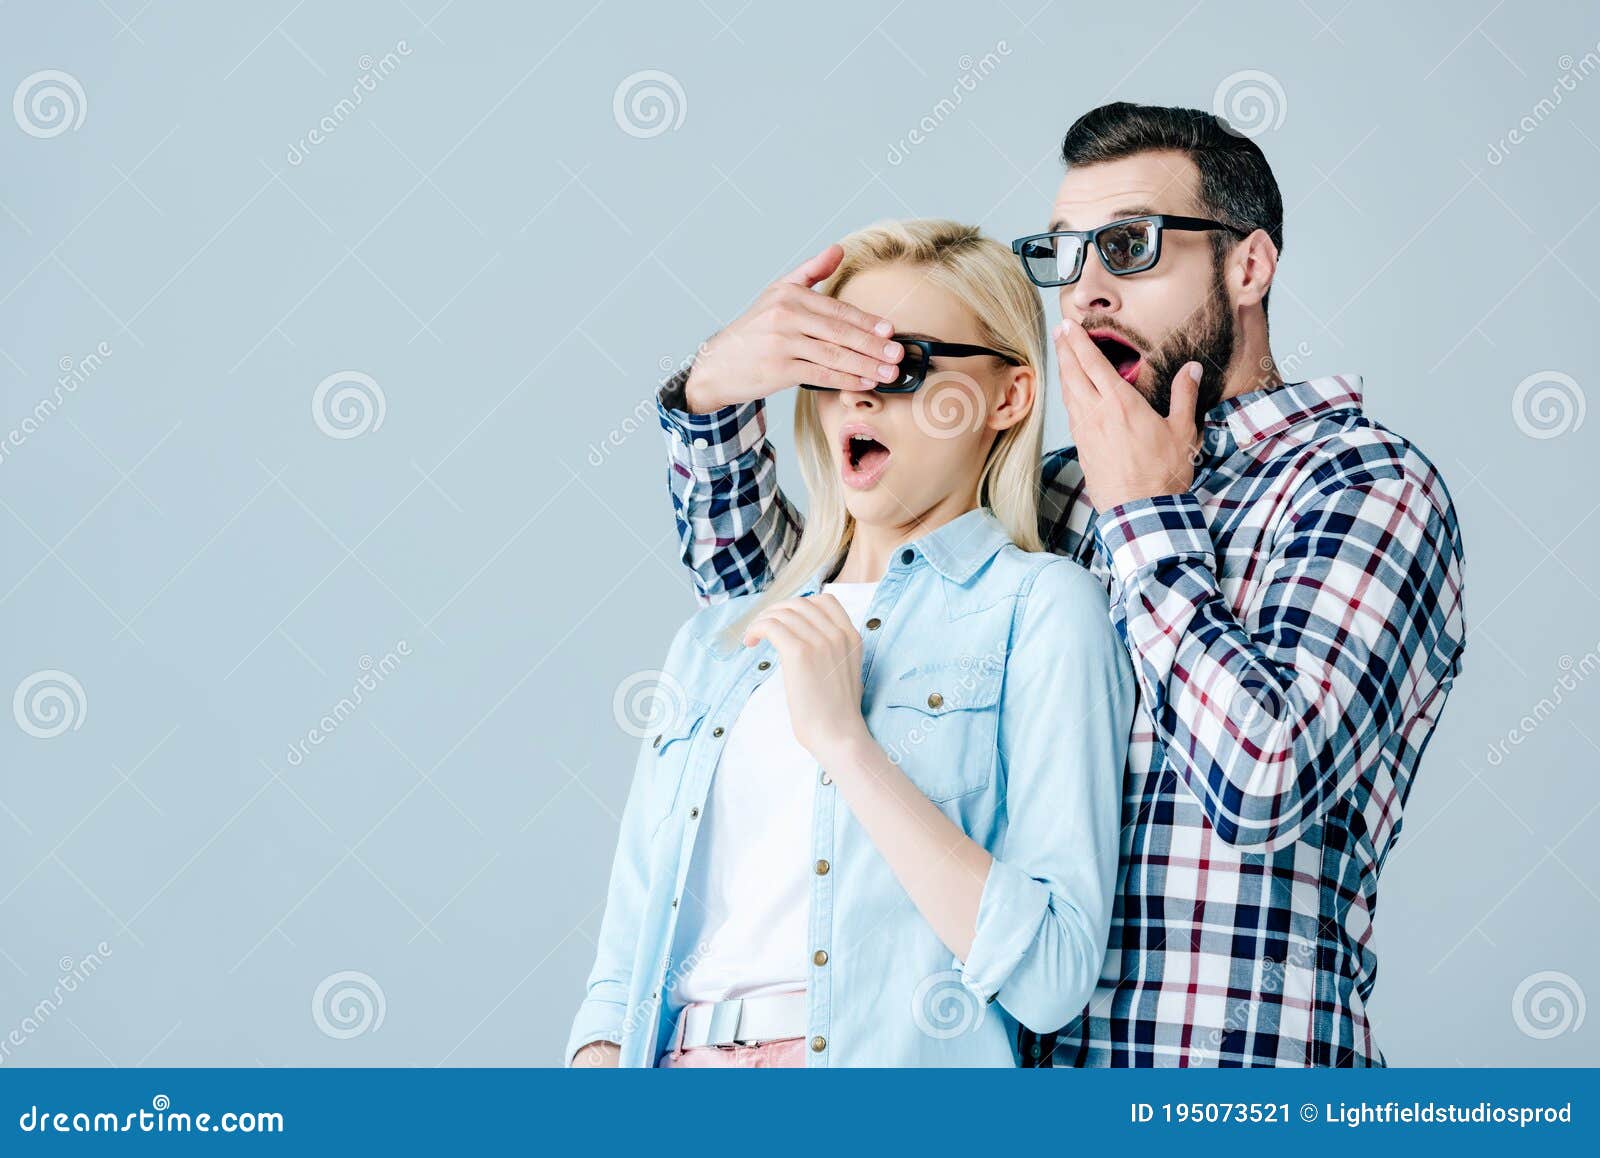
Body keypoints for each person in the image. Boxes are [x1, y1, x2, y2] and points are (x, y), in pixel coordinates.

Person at [651, 102, 1467, 1067]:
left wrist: (1141, 518)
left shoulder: (1362, 482)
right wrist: (713, 393)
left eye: (1129, 247)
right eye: (1067, 256)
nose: (1084, 295)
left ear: (1248, 266)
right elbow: (780, 606)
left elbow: (1263, 783)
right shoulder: (1050, 500)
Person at [567, 219, 1135, 1067]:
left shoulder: (1044, 608)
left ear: (1009, 397)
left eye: (904, 363)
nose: (859, 395)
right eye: (831, 365)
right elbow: (620, 970)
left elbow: (1052, 973)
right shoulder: (721, 636)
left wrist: (844, 741)